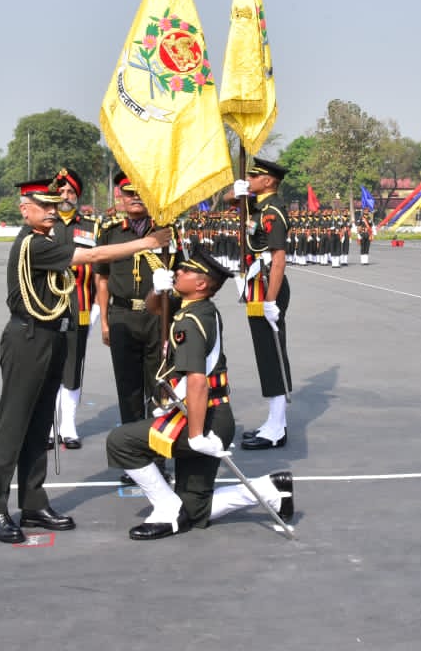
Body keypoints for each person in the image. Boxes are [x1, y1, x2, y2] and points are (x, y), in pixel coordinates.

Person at [0, 177, 172, 545]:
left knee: (40, 426)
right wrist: (149, 242)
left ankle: (34, 501)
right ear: (26, 210)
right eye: (46, 207)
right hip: (28, 338)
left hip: (51, 334)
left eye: (57, 205)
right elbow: (93, 256)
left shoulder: (50, 237)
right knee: (13, 425)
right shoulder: (33, 244)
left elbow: (84, 244)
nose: (54, 211)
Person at [106, 245, 294, 539]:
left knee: (120, 441)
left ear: (201, 283)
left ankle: (167, 509)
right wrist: (157, 291)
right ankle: (270, 489)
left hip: (202, 419)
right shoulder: (195, 308)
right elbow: (157, 309)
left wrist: (195, 435)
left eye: (185, 271)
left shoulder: (190, 321)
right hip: (209, 414)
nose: (177, 271)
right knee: (195, 509)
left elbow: (197, 381)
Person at [94, 172, 169, 429]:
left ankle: (157, 455)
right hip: (122, 317)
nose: (135, 197)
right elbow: (102, 280)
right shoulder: (110, 233)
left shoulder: (165, 231)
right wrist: (104, 322)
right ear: (121, 197)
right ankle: (136, 462)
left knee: (160, 387)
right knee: (128, 389)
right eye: (129, 193)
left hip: (157, 317)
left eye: (141, 192)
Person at [234, 157, 293, 451]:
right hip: (257, 286)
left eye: (254, 177)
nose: (250, 179)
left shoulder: (273, 211)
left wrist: (271, 300)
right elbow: (235, 206)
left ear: (268, 181)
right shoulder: (259, 207)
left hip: (269, 287)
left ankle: (277, 427)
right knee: (264, 354)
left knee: (273, 355)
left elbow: (278, 258)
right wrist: (238, 193)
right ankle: (274, 421)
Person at [49, 168, 98, 450]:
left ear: (77, 197)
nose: (65, 197)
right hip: (49, 307)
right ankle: (49, 425)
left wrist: (99, 309)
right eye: (61, 192)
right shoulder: (46, 224)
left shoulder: (91, 227)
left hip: (81, 304)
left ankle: (68, 425)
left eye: (70, 193)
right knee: (49, 365)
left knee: (73, 365)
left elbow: (101, 270)